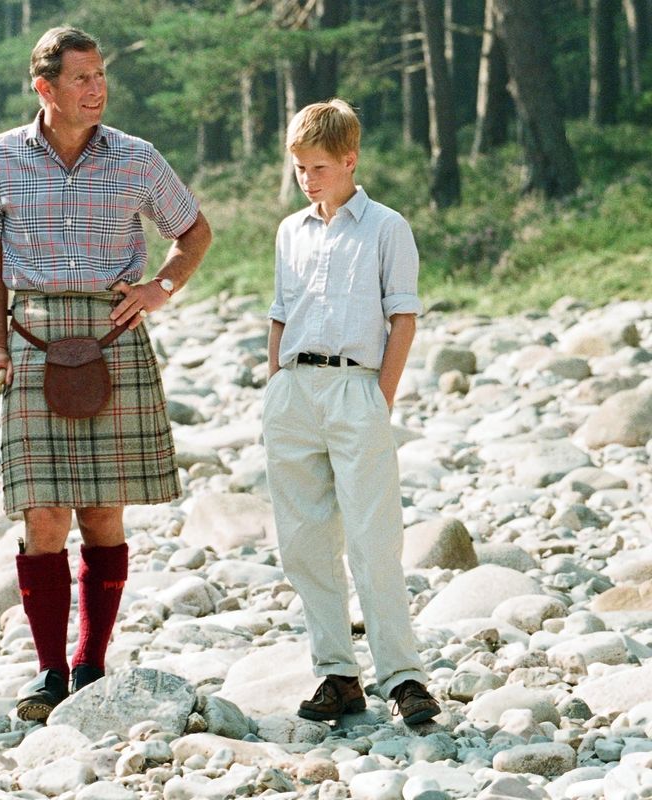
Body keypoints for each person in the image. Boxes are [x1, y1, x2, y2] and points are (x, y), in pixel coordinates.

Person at [0, 26, 212, 721]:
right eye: (82, 78)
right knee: (42, 514)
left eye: (100, 76)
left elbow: (194, 232)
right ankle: (47, 672)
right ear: (45, 88)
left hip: (112, 333)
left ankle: (91, 663)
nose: (97, 89)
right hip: (31, 338)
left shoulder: (136, 156)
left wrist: (160, 287)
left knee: (102, 510)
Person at [263, 99, 439, 726]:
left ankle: (404, 677)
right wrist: (276, 383)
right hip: (294, 392)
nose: (308, 180)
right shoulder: (291, 231)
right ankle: (337, 674)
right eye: (299, 168)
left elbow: (403, 317)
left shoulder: (386, 227)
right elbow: (280, 312)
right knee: (304, 543)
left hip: (356, 388)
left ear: (349, 160)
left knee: (372, 539)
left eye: (319, 167)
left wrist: (379, 397)